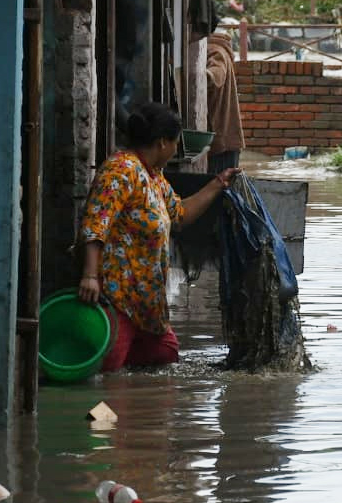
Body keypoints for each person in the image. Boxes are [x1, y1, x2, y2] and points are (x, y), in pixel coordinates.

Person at [76, 101, 241, 372]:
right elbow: (96, 223)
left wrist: (218, 184)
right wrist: (90, 276)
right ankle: (106, 401)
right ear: (163, 143)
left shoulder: (153, 175)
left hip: (146, 303)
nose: (176, 149)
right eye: (176, 142)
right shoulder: (120, 170)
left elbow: (179, 215)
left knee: (165, 354)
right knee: (108, 376)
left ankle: (140, 399)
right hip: (117, 297)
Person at [205, 30, 244, 174]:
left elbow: (217, 73)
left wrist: (201, 76)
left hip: (222, 142)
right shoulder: (218, 48)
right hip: (227, 139)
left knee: (219, 184)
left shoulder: (215, 50)